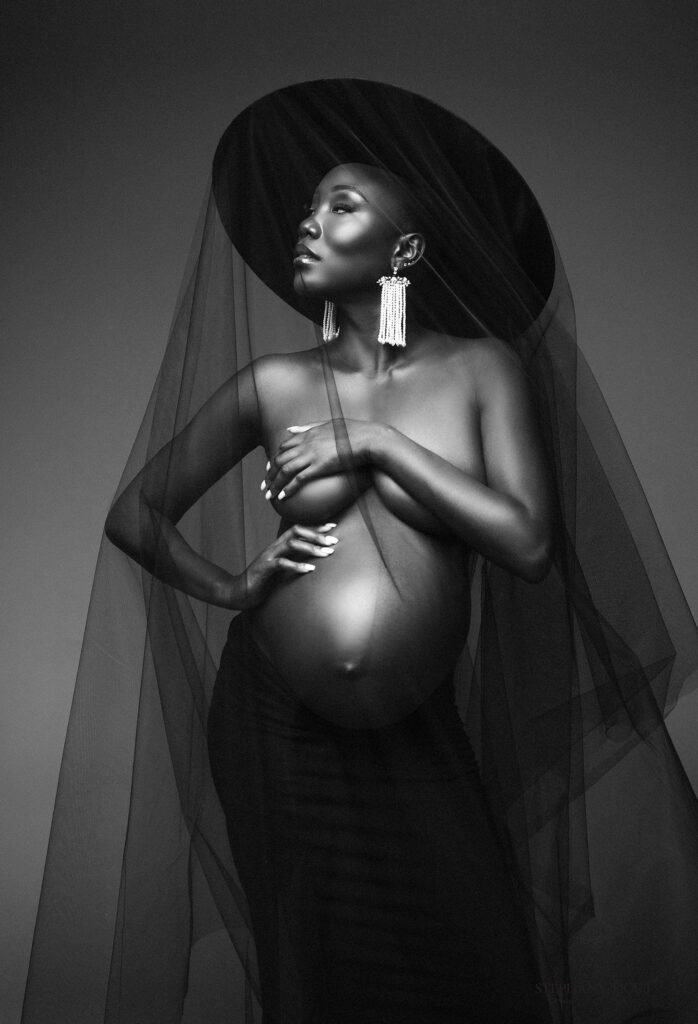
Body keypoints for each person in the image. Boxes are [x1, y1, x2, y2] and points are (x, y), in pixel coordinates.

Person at [21, 80, 698, 1024]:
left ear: (404, 251)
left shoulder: (479, 371)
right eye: (307, 207)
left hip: (415, 734)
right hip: (275, 729)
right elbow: (136, 513)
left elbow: (532, 543)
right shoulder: (274, 385)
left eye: (340, 206)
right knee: (322, 976)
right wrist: (231, 584)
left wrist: (376, 443)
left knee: (469, 968)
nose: (308, 222)